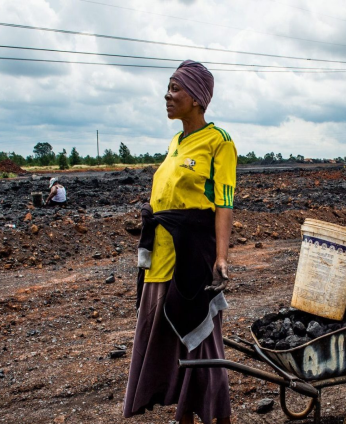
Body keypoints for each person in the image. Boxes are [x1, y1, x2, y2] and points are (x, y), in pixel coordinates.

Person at [124, 60, 236, 424]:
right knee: (165, 339)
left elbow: (224, 202)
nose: (167, 95)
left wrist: (221, 256)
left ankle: (216, 414)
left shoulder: (219, 142)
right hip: (161, 258)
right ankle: (183, 414)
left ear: (198, 99)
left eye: (175, 89)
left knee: (199, 339)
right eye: (168, 88)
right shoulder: (176, 142)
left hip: (191, 259)